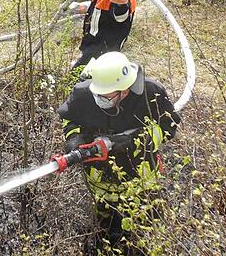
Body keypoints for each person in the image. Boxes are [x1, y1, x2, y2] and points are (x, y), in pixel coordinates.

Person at [57, 51, 181, 251]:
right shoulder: (84, 94)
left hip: (142, 181)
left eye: (105, 96)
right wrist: (73, 138)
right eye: (96, 94)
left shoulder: (151, 93)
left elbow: (169, 128)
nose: (98, 99)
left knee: (145, 233)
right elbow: (69, 117)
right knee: (106, 232)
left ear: (124, 90)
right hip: (101, 181)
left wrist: (135, 141)